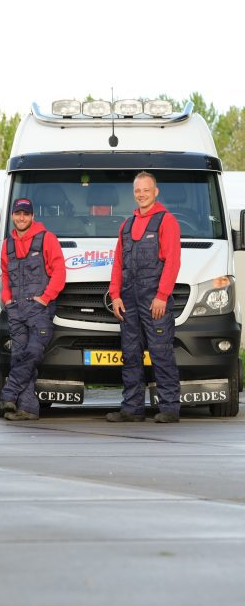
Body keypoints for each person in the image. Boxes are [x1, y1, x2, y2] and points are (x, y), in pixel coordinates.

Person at [107, 172, 182, 423]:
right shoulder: (125, 225)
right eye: (138, 190)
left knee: (161, 353)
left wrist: (162, 296)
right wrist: (115, 295)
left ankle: (170, 408)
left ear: (155, 191)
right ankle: (132, 408)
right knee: (130, 355)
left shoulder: (166, 221)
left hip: (154, 300)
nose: (141, 194)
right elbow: (118, 263)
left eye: (146, 190)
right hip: (128, 301)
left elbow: (172, 261)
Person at [0, 197, 66, 422]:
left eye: (25, 214)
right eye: (18, 213)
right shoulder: (7, 244)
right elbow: (5, 275)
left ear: (32, 216)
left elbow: (59, 272)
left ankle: (8, 393)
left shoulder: (47, 239)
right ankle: (28, 409)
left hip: (39, 310)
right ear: (12, 216)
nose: (21, 217)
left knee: (33, 353)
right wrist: (7, 299)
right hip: (16, 310)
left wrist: (45, 299)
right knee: (18, 357)